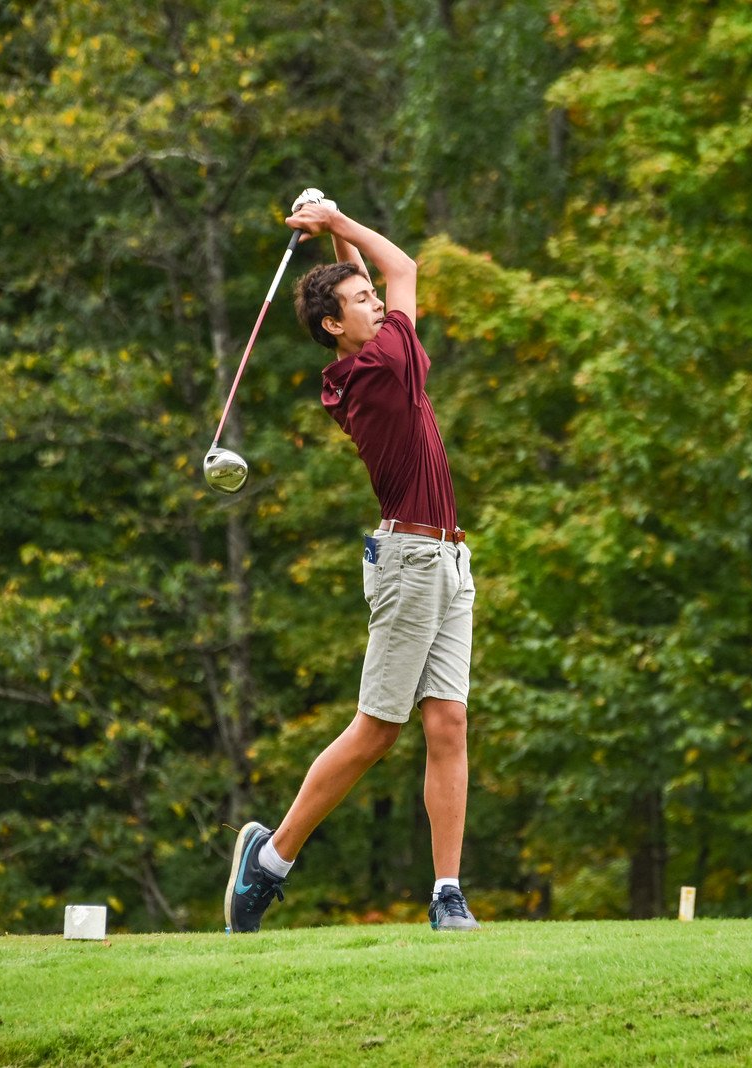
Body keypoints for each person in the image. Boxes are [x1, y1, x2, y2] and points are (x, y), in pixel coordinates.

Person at [223, 195, 480, 933]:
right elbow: (403, 264)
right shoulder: (381, 367)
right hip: (408, 560)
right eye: (359, 300)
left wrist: (334, 234)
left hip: (446, 559)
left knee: (449, 723)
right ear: (336, 326)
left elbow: (376, 279)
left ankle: (446, 893)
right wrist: (334, 215)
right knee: (377, 730)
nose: (377, 299)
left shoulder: (371, 355)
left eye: (372, 297)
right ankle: (270, 861)